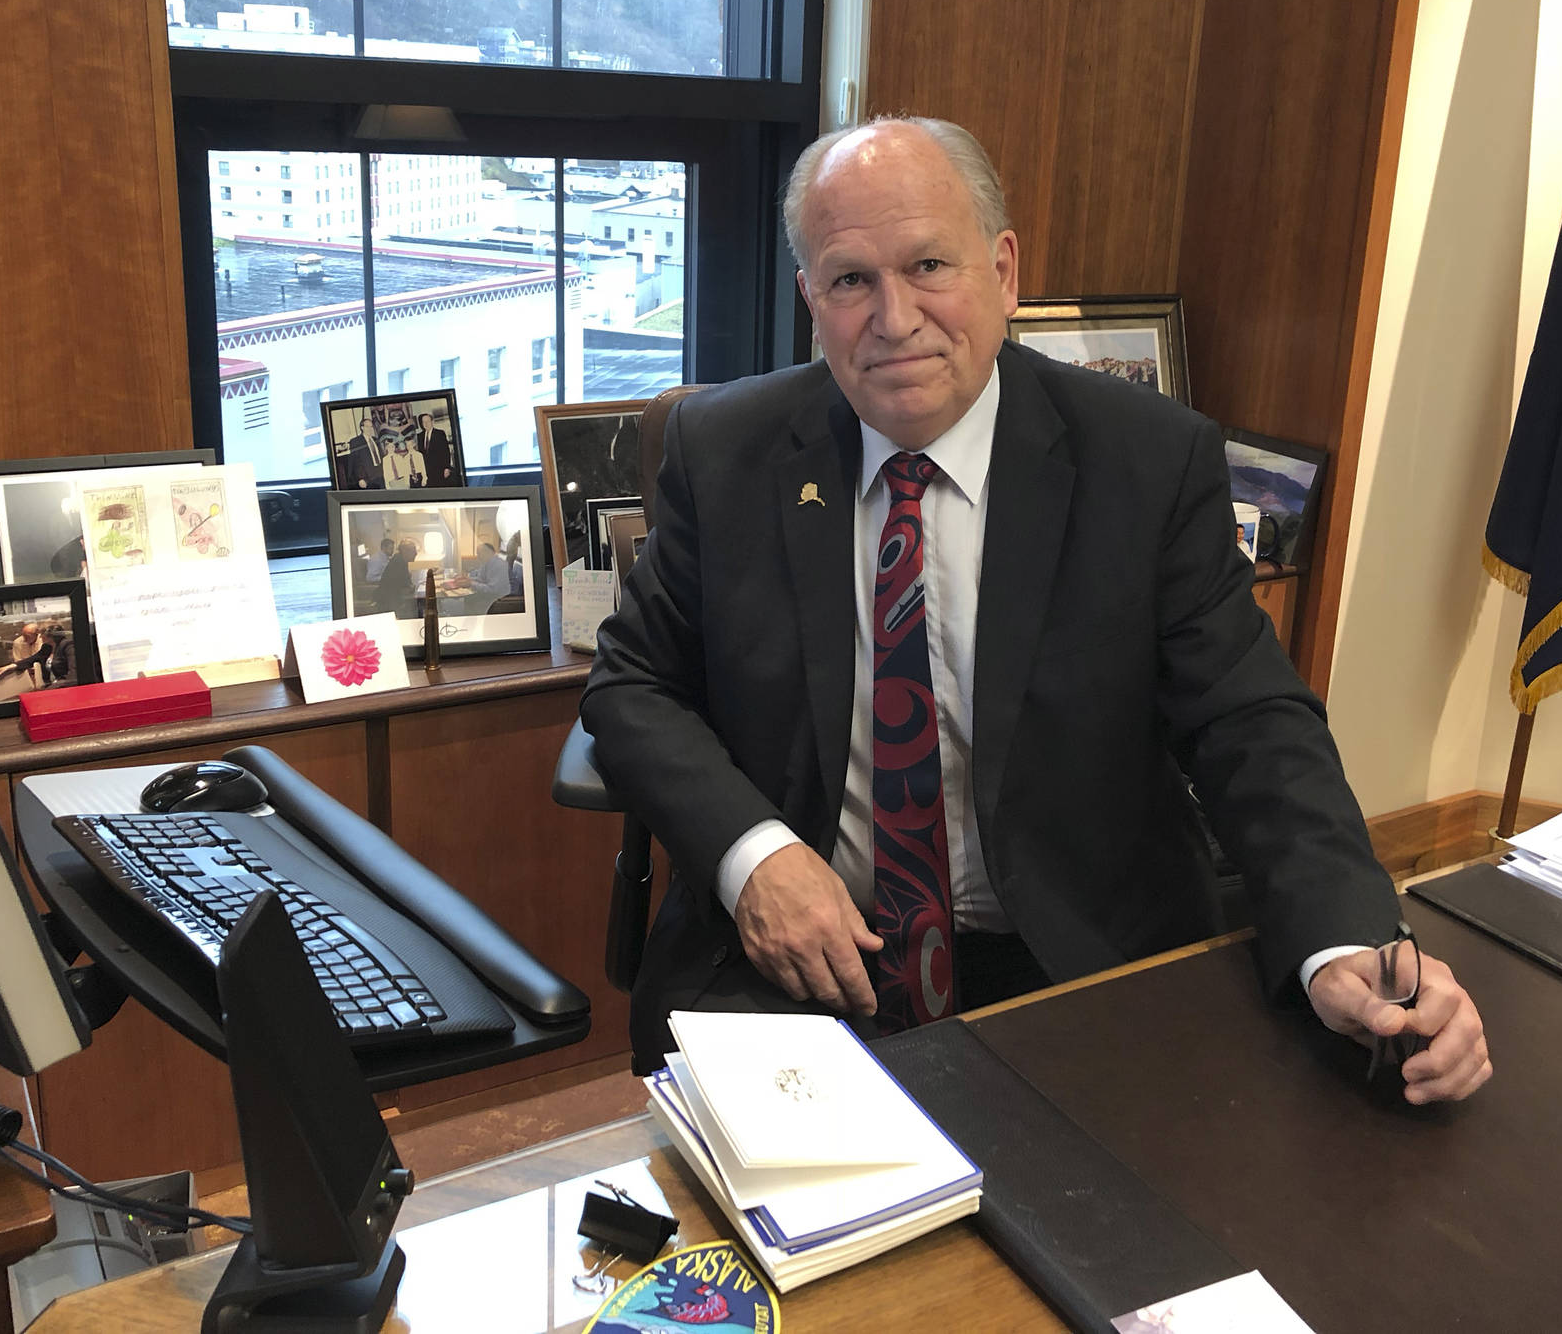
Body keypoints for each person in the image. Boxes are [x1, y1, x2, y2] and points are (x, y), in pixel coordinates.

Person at [583, 117, 1490, 1103]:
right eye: (848, 280)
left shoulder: (1145, 459)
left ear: (1004, 271)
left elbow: (1249, 722)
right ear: (810, 299)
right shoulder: (728, 451)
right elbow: (632, 687)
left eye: (929, 264)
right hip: (801, 959)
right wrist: (752, 858)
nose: (892, 318)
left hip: (1071, 950)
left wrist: (1342, 936)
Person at [376, 538, 419, 618]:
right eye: (413, 551)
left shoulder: (400, 559)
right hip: (389, 605)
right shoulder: (399, 562)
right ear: (405, 551)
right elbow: (408, 587)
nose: (416, 553)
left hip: (394, 600)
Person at [343, 417, 385, 490]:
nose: (369, 429)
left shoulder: (376, 440)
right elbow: (354, 462)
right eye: (367, 426)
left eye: (371, 426)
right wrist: (360, 478)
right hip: (367, 478)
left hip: (380, 474)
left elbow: (381, 457)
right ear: (362, 427)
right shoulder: (355, 441)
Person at [417, 413, 457, 487]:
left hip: (439, 469)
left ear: (432, 422)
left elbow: (446, 452)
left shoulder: (440, 433)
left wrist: (447, 468)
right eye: (423, 422)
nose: (426, 424)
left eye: (428, 421)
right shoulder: (419, 436)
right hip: (427, 472)